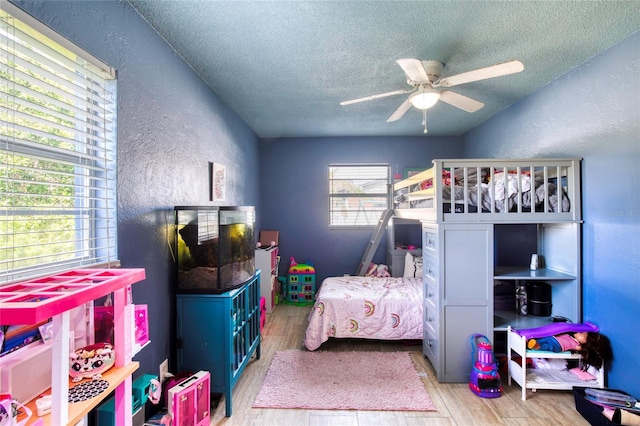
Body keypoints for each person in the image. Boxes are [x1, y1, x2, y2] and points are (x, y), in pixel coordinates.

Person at [527, 331, 613, 370]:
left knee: (549, 347)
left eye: (582, 334)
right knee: (542, 340)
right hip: (552, 338)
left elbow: (586, 350)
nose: (580, 332)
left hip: (558, 345)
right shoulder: (570, 336)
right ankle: (530, 343)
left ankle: (537, 347)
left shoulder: (577, 345)